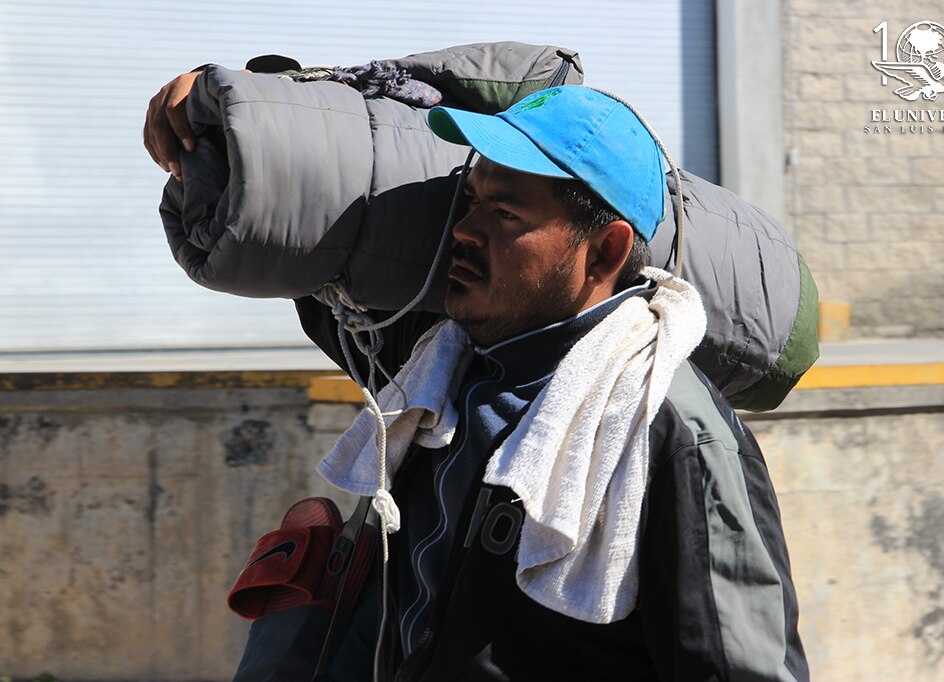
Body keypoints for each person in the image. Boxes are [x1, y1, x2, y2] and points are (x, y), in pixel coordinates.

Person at [146, 73, 809, 681]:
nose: (463, 231)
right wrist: (224, 104)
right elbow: (315, 237)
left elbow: (738, 666)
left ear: (603, 249)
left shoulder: (665, 429)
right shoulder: (432, 367)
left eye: (506, 214)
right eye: (470, 202)